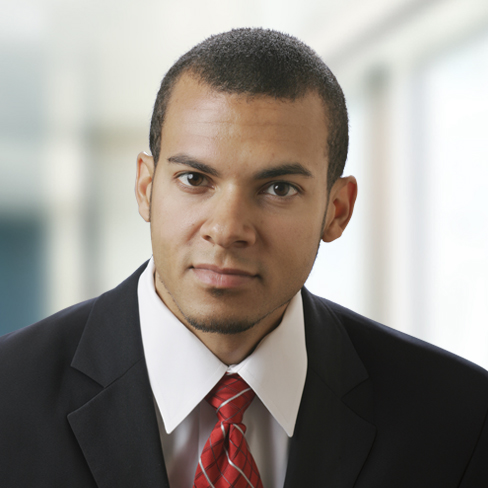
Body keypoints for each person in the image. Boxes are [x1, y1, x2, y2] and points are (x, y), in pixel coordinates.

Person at [1, 28, 487, 488]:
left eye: (279, 188)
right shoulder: (9, 397)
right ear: (146, 188)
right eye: (195, 180)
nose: (228, 229)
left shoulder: (459, 419)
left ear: (336, 211)